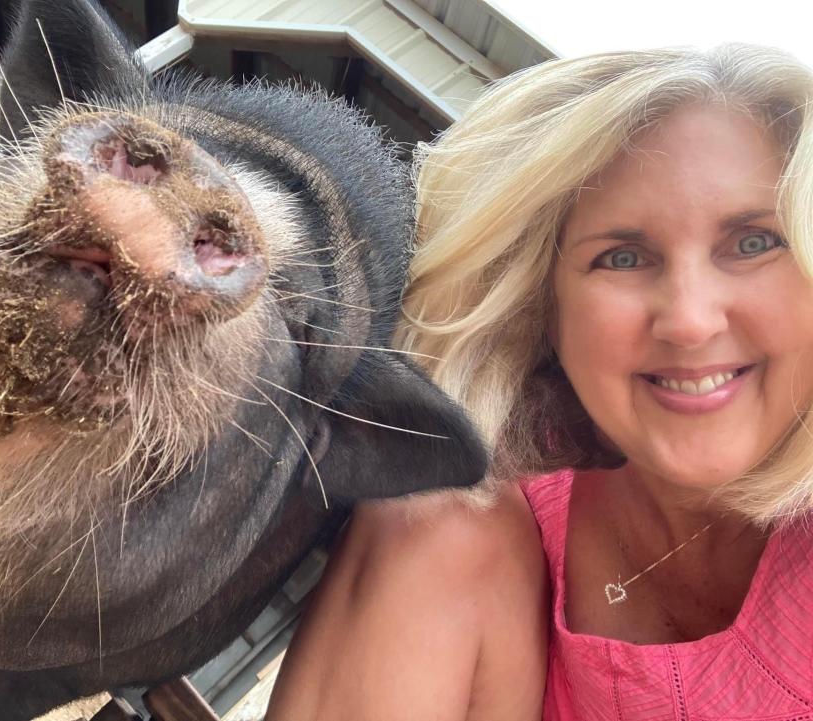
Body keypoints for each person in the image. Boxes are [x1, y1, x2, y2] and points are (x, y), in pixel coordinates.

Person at [265, 43, 813, 720]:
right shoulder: (458, 531)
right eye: (622, 256)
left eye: (753, 242)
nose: (690, 321)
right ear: (549, 311)